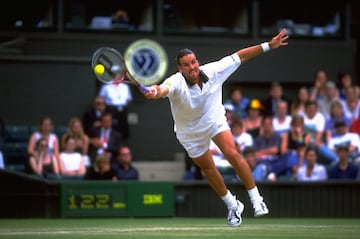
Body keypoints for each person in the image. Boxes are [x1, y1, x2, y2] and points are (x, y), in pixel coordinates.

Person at [144, 28, 288, 226]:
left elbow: (241, 56)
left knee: (233, 154)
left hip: (214, 121)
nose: (192, 67)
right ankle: (232, 204)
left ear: (198, 62)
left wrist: (268, 46)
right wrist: (155, 91)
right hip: (189, 132)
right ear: (180, 69)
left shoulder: (214, 70)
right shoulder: (176, 82)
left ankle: (257, 200)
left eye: (193, 62)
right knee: (208, 168)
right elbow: (163, 89)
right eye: (186, 65)